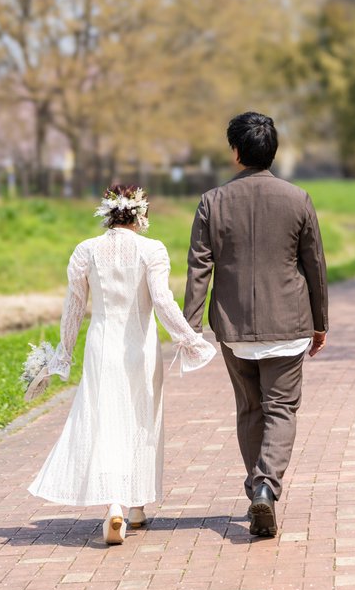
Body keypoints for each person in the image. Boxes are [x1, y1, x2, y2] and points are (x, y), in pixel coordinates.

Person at [28, 185, 217, 545]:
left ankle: (117, 504)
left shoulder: (86, 250)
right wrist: (189, 340)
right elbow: (161, 300)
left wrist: (62, 356)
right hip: (139, 349)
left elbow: (73, 308)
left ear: (108, 214)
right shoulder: (152, 250)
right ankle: (135, 506)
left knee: (105, 420)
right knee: (142, 419)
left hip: (101, 346)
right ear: (141, 216)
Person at [184, 112, 329, 538]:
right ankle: (266, 485)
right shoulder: (298, 198)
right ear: (274, 151)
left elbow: (199, 267)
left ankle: (257, 488)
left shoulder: (212, 202)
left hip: (234, 328)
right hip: (290, 322)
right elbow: (314, 265)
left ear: (235, 152)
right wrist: (321, 323)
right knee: (281, 409)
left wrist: (191, 326)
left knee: (250, 408)